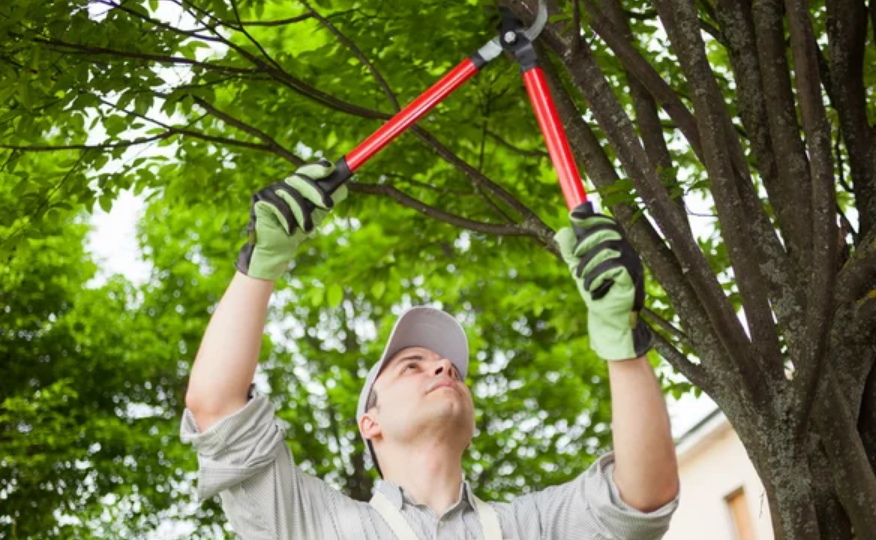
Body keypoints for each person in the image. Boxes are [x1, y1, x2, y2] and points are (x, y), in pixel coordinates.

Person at [181, 160, 679, 540]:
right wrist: (261, 263)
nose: (443, 365)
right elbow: (217, 408)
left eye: (451, 371)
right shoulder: (317, 525)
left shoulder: (531, 526)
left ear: (473, 425)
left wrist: (622, 343)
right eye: (410, 366)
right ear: (369, 423)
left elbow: (642, 497)